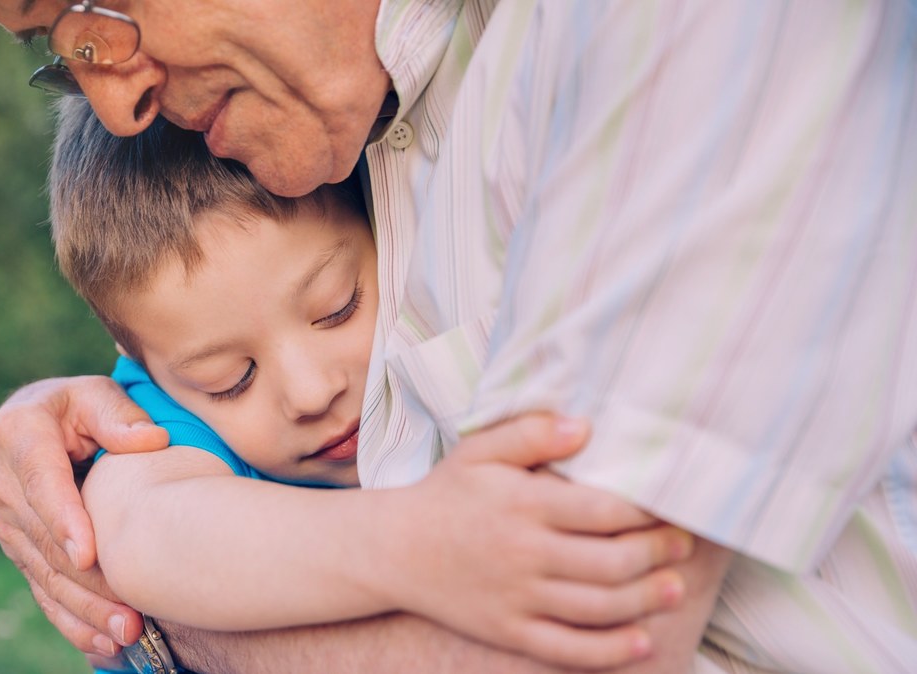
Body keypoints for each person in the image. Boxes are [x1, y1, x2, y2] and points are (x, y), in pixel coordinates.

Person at [0, 0, 917, 671]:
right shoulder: (347, 127)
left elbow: (582, 636)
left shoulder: (669, 33)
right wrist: (82, 468)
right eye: (61, 55)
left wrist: (162, 626)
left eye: (97, 14)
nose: (119, 99)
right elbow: (141, 500)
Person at [47, 98, 692, 670]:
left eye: (337, 308)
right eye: (229, 380)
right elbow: (148, 531)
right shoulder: (153, 425)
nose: (310, 391)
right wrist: (418, 538)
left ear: (388, 229)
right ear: (141, 363)